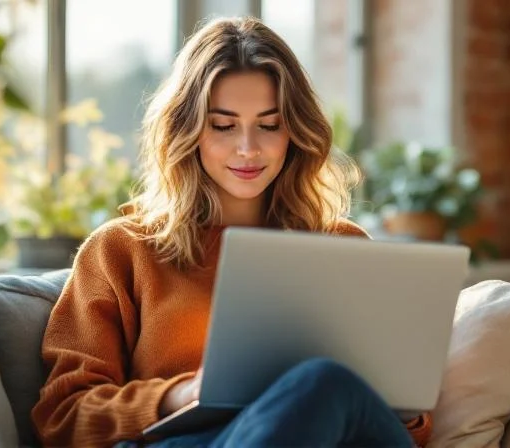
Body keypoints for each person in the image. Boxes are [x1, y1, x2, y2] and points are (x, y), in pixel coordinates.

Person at [31, 16, 432, 447]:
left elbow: (408, 428)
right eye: (223, 126)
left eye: (269, 124)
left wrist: (398, 403)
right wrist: (179, 395)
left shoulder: (342, 248)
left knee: (326, 386)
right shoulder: (120, 251)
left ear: (294, 130)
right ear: (188, 131)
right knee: (321, 382)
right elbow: (64, 415)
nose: (248, 148)